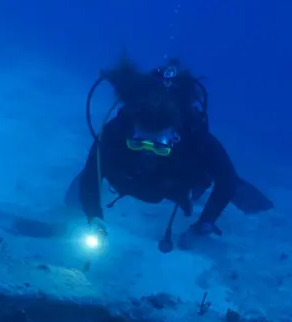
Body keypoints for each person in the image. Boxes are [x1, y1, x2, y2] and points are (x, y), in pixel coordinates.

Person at [67, 57, 273, 251]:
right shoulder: (116, 131)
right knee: (90, 176)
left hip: (176, 184)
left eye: (159, 147)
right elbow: (92, 172)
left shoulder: (196, 138)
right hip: (130, 178)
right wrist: (94, 218)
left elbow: (226, 181)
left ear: (175, 137)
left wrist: (202, 226)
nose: (148, 153)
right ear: (132, 130)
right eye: (138, 143)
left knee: (223, 178)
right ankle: (79, 205)